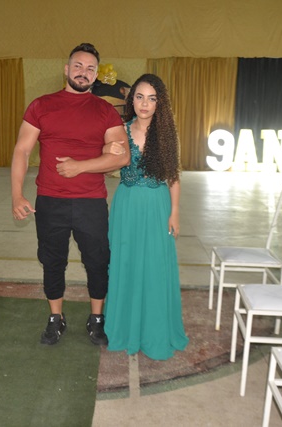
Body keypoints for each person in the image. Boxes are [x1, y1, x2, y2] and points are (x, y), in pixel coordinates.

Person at [11, 42, 130, 346]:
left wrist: (80, 166)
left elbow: (122, 157)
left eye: (90, 68)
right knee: (52, 261)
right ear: (66, 69)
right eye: (78, 66)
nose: (83, 72)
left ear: (96, 75)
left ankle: (97, 318)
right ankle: (56, 317)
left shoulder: (105, 111)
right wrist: (17, 195)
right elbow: (22, 150)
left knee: (97, 261)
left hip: (91, 201)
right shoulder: (41, 105)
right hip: (50, 201)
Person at [103, 74, 189, 360]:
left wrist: (175, 211)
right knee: (125, 263)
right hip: (127, 205)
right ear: (132, 100)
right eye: (139, 97)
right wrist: (108, 151)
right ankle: (124, 329)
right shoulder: (120, 130)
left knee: (155, 266)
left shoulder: (166, 135)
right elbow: (106, 169)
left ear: (159, 103)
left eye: (151, 99)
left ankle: (155, 332)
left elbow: (173, 176)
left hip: (157, 205)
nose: (144, 104)